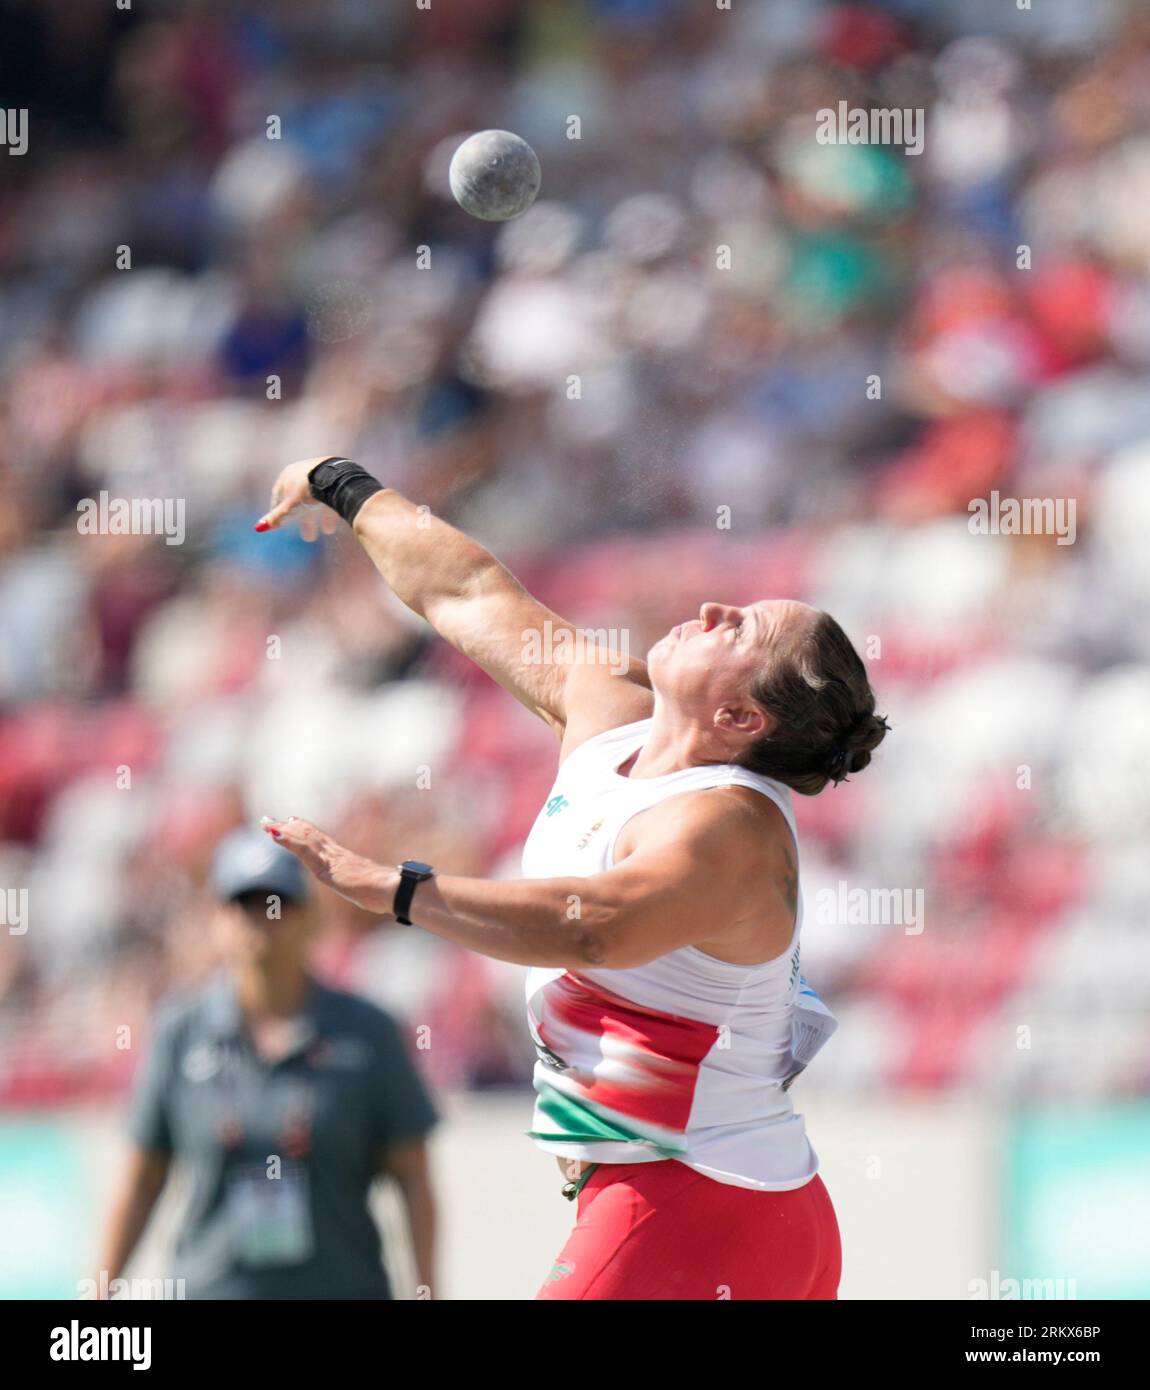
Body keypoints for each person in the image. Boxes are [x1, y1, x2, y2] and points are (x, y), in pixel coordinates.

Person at [255, 455, 890, 1301]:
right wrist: (342, 485)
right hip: (705, 1208)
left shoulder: (729, 824)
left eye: (740, 629)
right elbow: (469, 593)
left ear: (741, 718)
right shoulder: (612, 710)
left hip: (700, 1202)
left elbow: (593, 925)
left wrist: (397, 890)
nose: (712, 608)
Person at [98, 826, 439, 1300]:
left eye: (277, 903)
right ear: (216, 917)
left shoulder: (368, 1032)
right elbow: (142, 1180)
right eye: (245, 903)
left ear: (309, 918)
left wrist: (428, 1291)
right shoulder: (180, 1033)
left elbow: (413, 1178)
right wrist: (97, 1294)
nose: (261, 920)